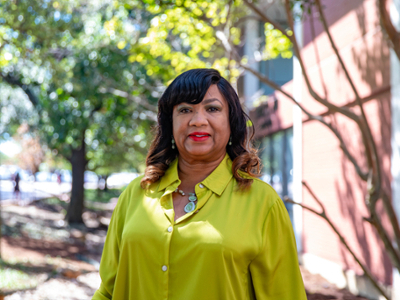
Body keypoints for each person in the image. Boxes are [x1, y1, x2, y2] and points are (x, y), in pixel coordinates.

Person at [92, 69, 307, 300]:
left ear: (232, 122)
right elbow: (108, 291)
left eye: (212, 109)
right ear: (170, 124)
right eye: (185, 110)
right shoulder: (136, 193)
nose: (198, 121)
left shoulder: (263, 203)